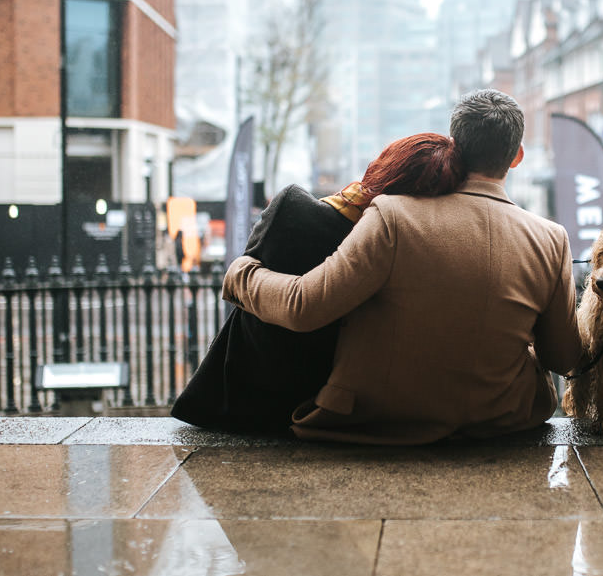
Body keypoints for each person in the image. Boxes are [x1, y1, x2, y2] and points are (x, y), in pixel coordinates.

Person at [219, 89, 581, 444]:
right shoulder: (550, 238)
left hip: (378, 420)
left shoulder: (394, 215)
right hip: (506, 418)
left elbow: (304, 307)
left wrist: (241, 274)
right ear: (516, 156)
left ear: (453, 144)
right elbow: (562, 357)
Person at [172, 132, 467, 432]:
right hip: (331, 412)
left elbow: (298, 305)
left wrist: (239, 274)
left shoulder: (294, 210)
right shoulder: (417, 251)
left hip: (239, 403)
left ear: (381, 166)